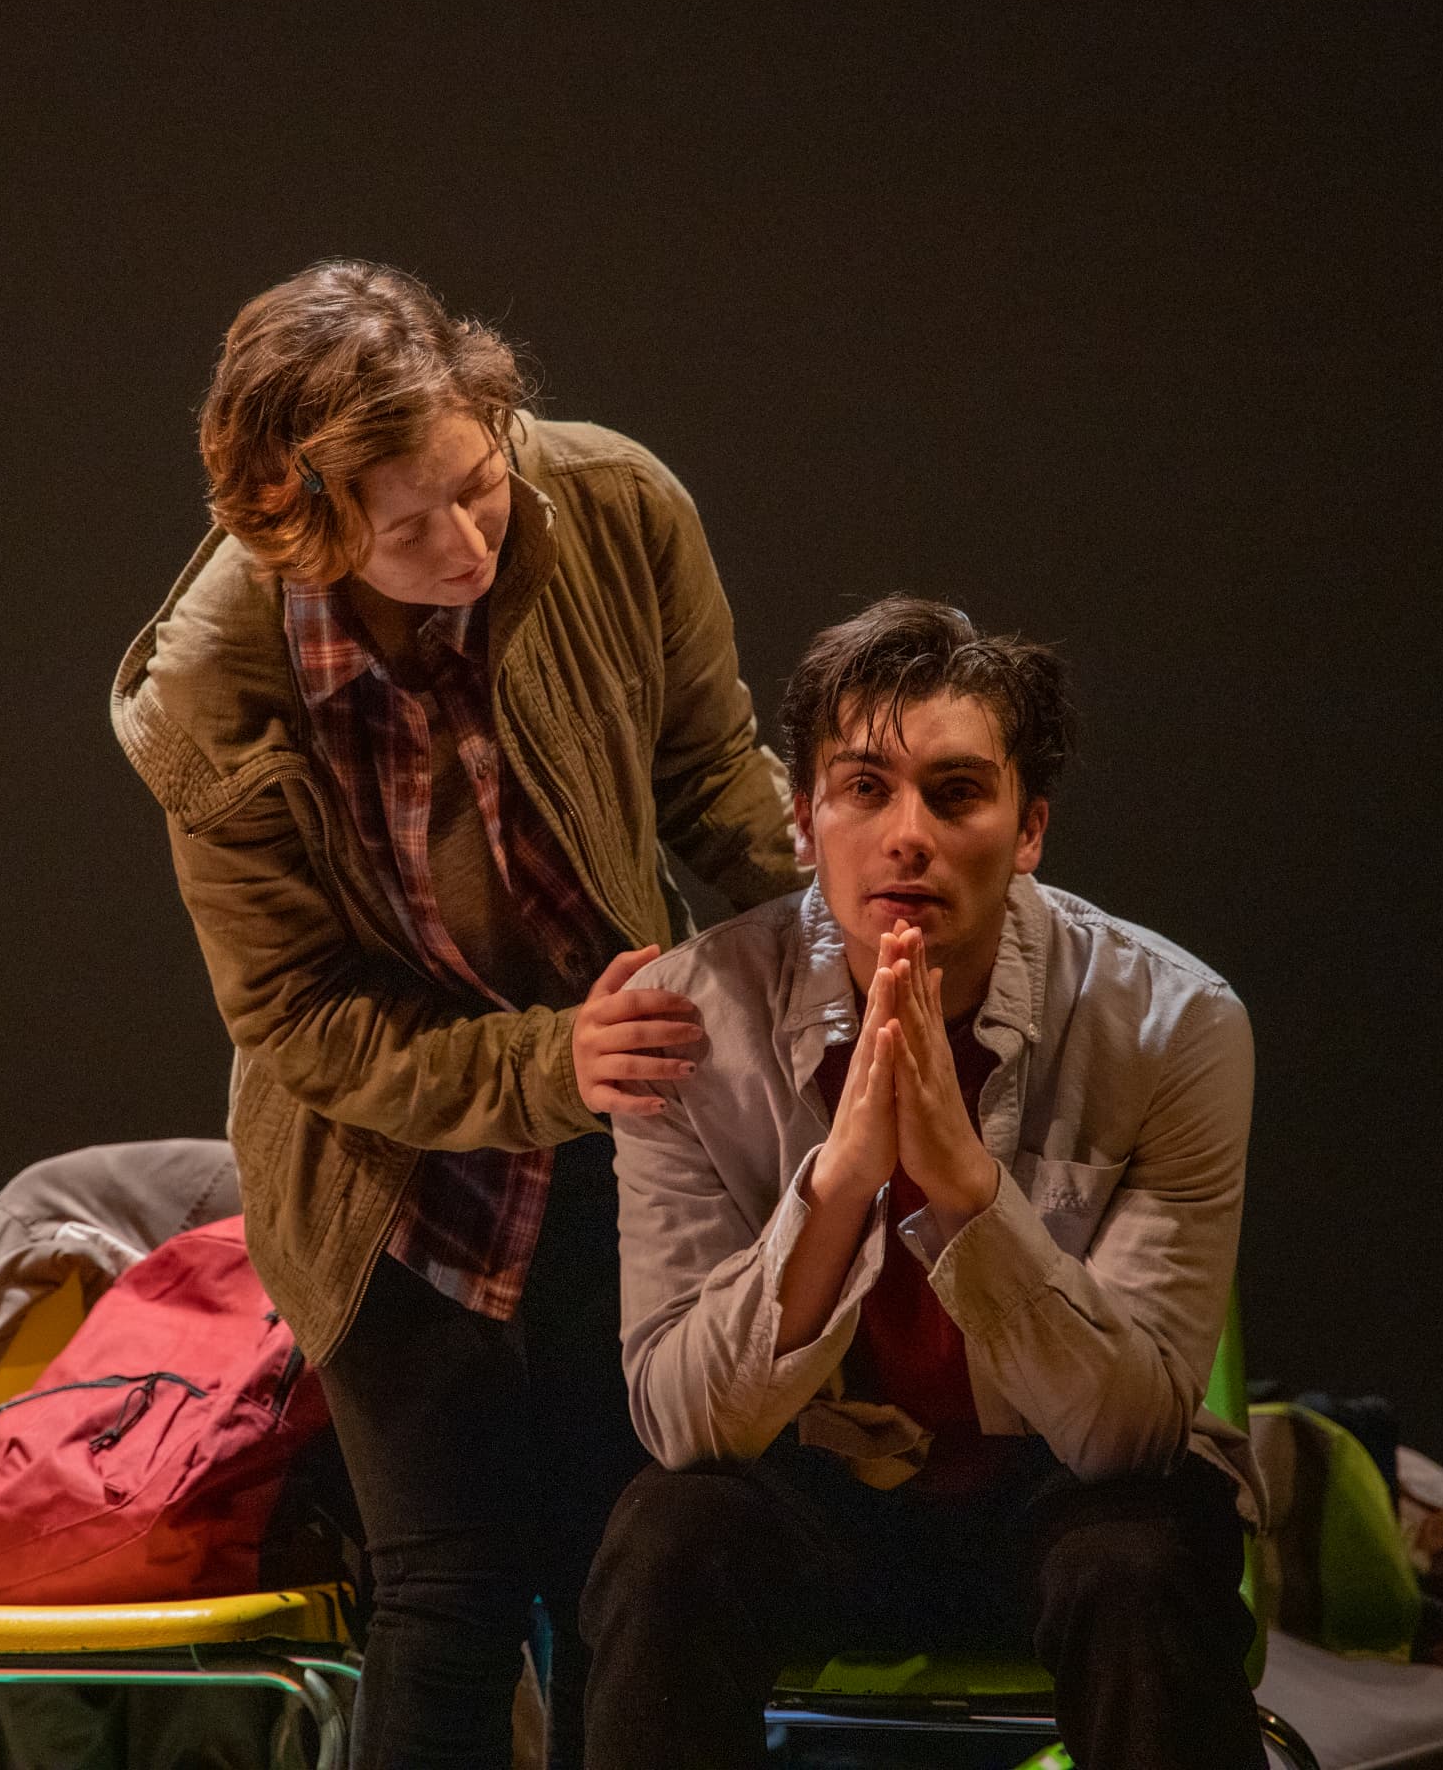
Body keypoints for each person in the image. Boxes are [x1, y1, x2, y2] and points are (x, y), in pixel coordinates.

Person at [108, 259, 803, 1770]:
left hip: (629, 1121)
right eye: (405, 522)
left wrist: (850, 951)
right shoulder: (214, 686)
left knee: (631, 1575)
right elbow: (299, 1014)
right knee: (448, 1596)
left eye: (477, 486)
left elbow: (715, 784)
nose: (466, 541)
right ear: (294, 521)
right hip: (382, 1173)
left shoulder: (613, 506)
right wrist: (552, 1060)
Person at [581, 596, 1268, 1770]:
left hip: (1062, 1490)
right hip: (815, 1492)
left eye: (956, 794)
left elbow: (1136, 1430)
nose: (909, 836)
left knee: (1144, 1563)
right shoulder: (692, 1021)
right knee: (667, 1543)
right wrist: (840, 1185)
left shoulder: (1176, 1025)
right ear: (803, 821)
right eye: (864, 790)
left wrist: (965, 1193)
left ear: (1030, 827)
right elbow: (685, 1417)